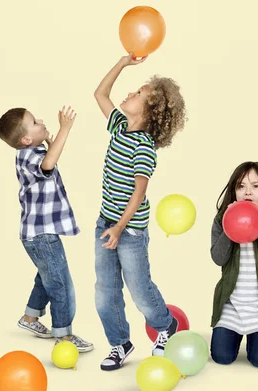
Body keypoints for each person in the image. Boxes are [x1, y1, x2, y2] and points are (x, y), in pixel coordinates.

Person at [93, 53, 187, 371]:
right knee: (105, 289)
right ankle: (120, 344)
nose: (130, 94)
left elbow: (139, 191)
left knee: (139, 287)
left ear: (149, 111)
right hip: (105, 222)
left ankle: (165, 326)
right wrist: (121, 64)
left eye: (138, 94)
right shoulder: (119, 127)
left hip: (130, 230)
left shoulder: (143, 145)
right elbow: (100, 94)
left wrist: (119, 229)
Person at [0, 105, 93, 353]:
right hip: (41, 236)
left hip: (38, 234)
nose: (41, 120)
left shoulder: (32, 150)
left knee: (47, 276)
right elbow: (48, 164)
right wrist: (64, 129)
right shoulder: (28, 156)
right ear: (26, 139)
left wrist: (51, 140)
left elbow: (49, 158)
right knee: (60, 283)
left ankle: (29, 318)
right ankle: (64, 335)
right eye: (35, 122)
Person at [210, 161, 258, 368]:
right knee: (221, 357)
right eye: (241, 186)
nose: (248, 192)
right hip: (232, 306)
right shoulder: (221, 219)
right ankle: (232, 333)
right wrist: (230, 222)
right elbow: (218, 259)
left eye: (255, 186)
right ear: (234, 191)